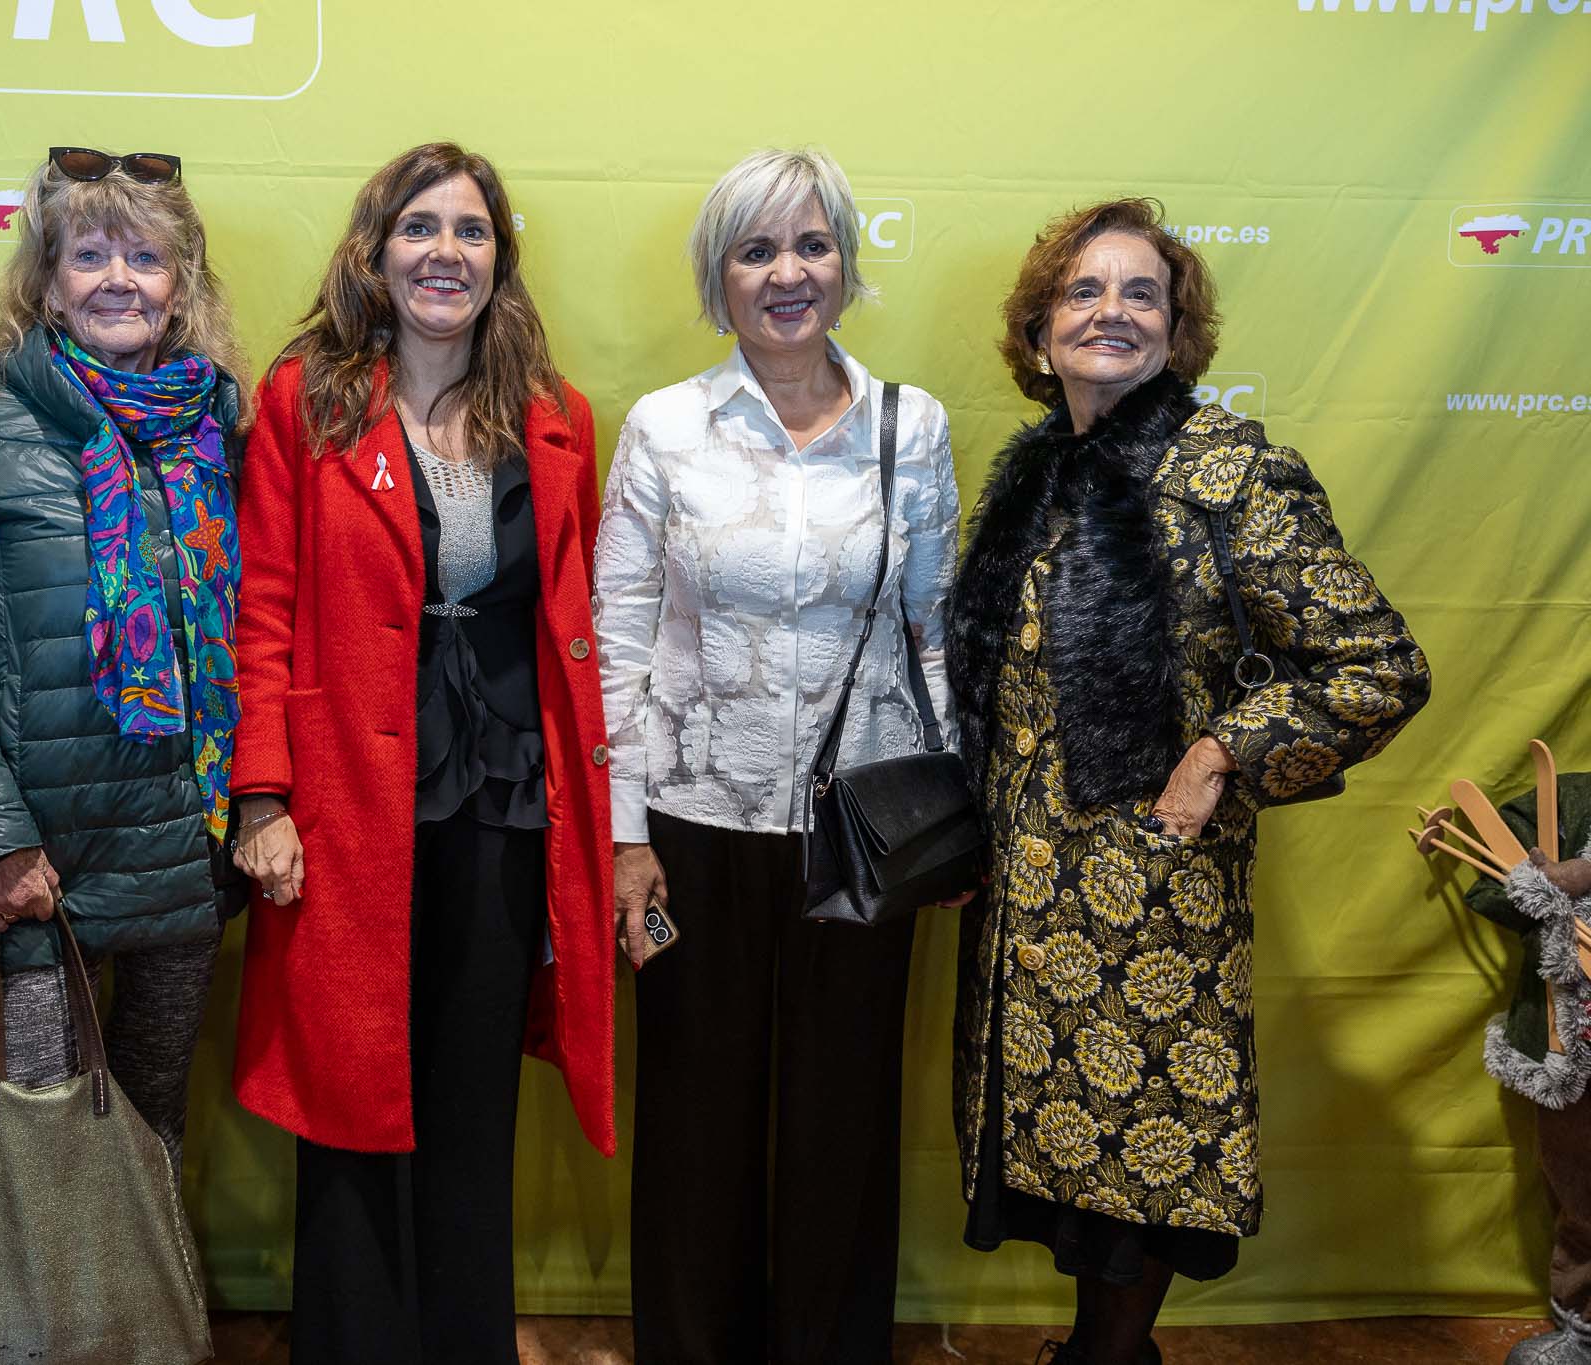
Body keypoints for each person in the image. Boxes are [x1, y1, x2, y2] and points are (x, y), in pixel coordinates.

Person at [945, 197, 1431, 1365]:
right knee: (1067, 1157)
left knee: (1143, 1149)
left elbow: (1378, 666)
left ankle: (1111, 1359)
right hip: (1022, 887)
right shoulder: (1039, 478)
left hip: (1155, 891)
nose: (1108, 311)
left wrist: (1223, 753)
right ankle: (1089, 1351)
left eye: (1138, 293)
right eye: (1081, 291)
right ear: (1035, 328)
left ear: (1175, 328)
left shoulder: (1231, 473)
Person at [227, 141, 615, 1365]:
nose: (444, 252)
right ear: (374, 252)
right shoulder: (306, 397)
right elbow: (265, 606)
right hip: (346, 799)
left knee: (468, 1100)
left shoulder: (555, 417)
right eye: (418, 228)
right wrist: (262, 796)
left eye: (470, 231)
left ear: (499, 260)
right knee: (345, 1089)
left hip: (505, 799)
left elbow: (572, 624)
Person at [594, 146, 960, 1365]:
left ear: (846, 266)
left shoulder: (913, 429)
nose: (786, 272)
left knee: (839, 1131)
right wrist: (626, 835)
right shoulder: (663, 428)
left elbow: (934, 630)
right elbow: (617, 643)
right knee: (695, 1130)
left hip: (863, 836)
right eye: (756, 250)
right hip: (695, 827)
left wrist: (954, 809)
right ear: (719, 278)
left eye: (810, 246)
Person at [0, 147, 249, 1172]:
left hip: (182, 857)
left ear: (181, 284)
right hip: (39, 869)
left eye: (145, 255)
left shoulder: (217, 422)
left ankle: (139, 1334)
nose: (118, 279)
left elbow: (241, 633)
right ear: (44, 279)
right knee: (37, 1147)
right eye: (88, 254)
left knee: (148, 1138)